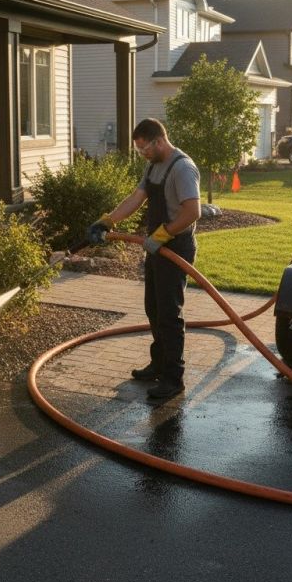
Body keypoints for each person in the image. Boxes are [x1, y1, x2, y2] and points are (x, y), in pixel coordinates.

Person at [87, 119, 201, 401]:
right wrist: (108, 221)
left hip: (175, 247)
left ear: (158, 141)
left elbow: (192, 211)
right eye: (139, 150)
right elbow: (135, 198)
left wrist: (164, 233)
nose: (142, 154)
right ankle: (159, 364)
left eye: (143, 149)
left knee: (170, 314)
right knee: (153, 308)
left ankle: (174, 379)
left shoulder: (183, 168)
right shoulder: (153, 166)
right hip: (156, 246)